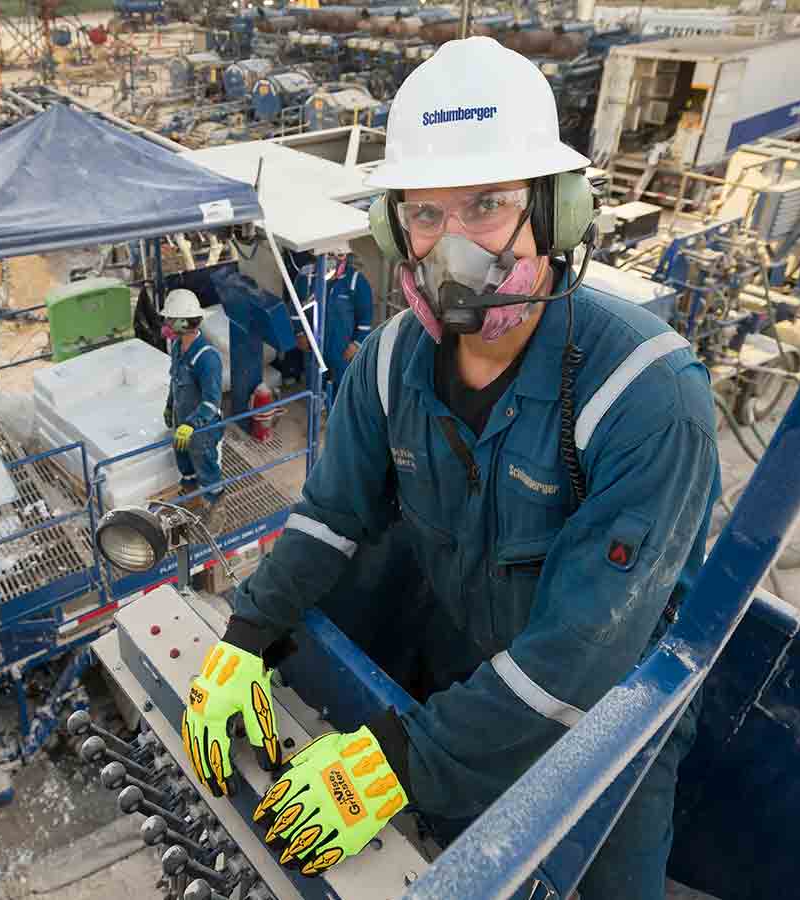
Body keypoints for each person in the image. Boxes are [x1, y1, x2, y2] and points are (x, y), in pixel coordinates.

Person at [179, 37, 720, 898]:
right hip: (475, 673)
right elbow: (331, 517)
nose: (453, 248)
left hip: (611, 730)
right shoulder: (391, 363)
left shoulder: (646, 399)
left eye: (488, 205)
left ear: (556, 213)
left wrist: (400, 761)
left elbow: (582, 656)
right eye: (425, 215)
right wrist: (246, 634)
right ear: (396, 229)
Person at [162, 289, 224, 520]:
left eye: (170, 319)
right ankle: (191, 495)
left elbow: (211, 401)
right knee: (184, 461)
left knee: (204, 463)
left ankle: (216, 506)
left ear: (184, 322)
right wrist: (170, 406)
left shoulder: (207, 357)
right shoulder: (178, 348)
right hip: (182, 421)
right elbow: (175, 381)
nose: (166, 324)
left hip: (202, 429)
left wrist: (192, 425)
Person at [291, 243, 373, 404]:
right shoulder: (306, 277)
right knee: (314, 384)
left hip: (341, 347)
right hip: (313, 344)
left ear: (344, 257)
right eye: (327, 255)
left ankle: (339, 413)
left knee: (343, 387)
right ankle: (316, 409)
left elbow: (366, 317)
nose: (332, 260)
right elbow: (295, 308)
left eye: (336, 255)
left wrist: (356, 343)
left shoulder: (356, 281)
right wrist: (299, 333)